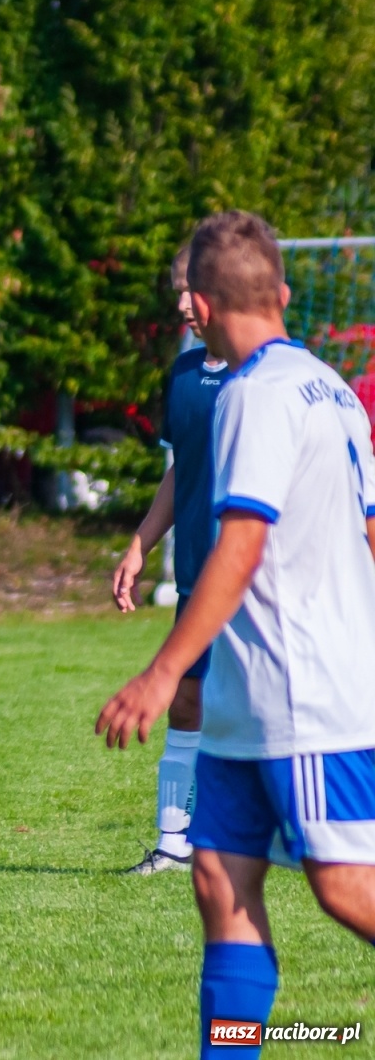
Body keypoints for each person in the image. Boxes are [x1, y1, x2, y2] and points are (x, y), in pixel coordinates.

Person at [96, 211, 375, 1059]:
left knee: (344, 886)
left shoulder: (255, 392)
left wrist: (160, 671)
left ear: (204, 308)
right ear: (282, 294)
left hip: (306, 691)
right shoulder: (330, 385)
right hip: (246, 699)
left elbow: (243, 543)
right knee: (218, 881)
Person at [111, 242, 229, 874]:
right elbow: (183, 467)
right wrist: (139, 544)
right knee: (187, 699)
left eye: (192, 287)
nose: (182, 302)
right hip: (197, 574)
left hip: (259, 577)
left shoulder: (263, 376)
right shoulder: (185, 373)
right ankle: (174, 844)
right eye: (178, 290)